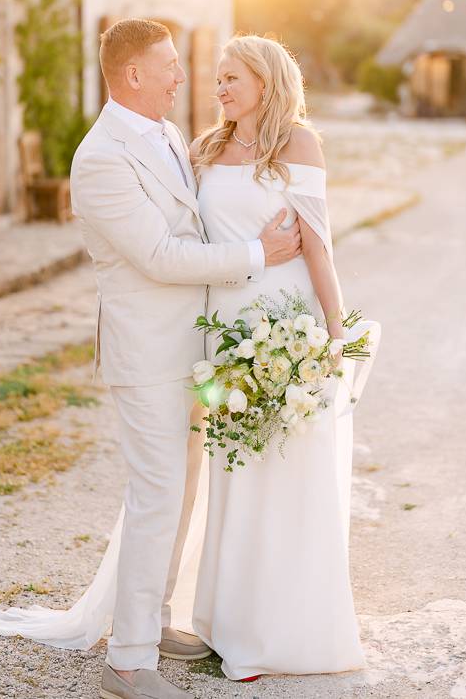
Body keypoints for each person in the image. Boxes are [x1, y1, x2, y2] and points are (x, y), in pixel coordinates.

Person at [0, 19, 301, 699]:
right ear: (133, 74)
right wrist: (256, 255)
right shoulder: (100, 158)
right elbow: (158, 255)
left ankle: (153, 618)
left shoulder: (169, 135)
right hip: (147, 353)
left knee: (182, 490)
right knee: (156, 495)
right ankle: (126, 660)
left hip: (194, 349)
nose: (182, 76)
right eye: (170, 65)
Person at [190, 34, 379, 680]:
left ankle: (286, 631)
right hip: (224, 329)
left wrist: (336, 334)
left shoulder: (298, 144)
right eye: (217, 78)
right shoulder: (205, 149)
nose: (219, 88)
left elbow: (318, 246)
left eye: (231, 78)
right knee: (235, 471)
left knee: (289, 471)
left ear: (265, 83)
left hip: (288, 325)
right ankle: (226, 624)